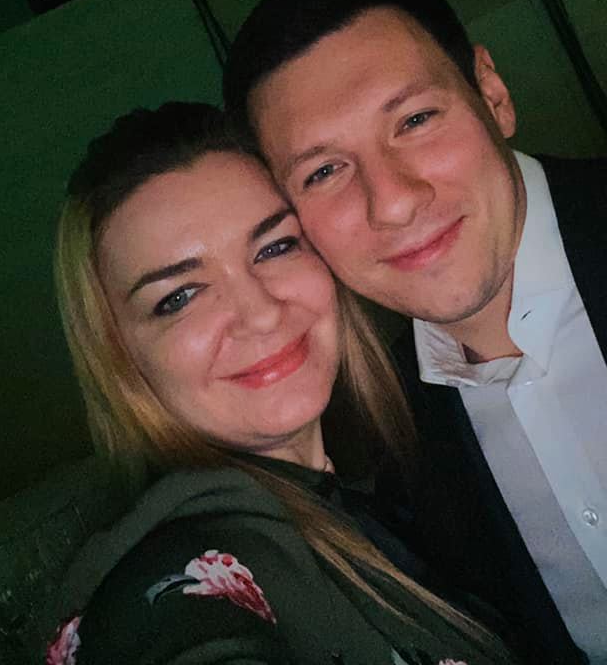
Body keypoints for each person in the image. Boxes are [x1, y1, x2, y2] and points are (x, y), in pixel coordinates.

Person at [223, 0, 607, 665]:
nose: (393, 202)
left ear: (492, 95)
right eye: (323, 171)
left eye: (415, 120)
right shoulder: (368, 443)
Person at [45, 101, 517, 665]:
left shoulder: (406, 471)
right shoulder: (172, 587)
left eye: (275, 247)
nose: (262, 313)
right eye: (179, 297)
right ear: (121, 357)